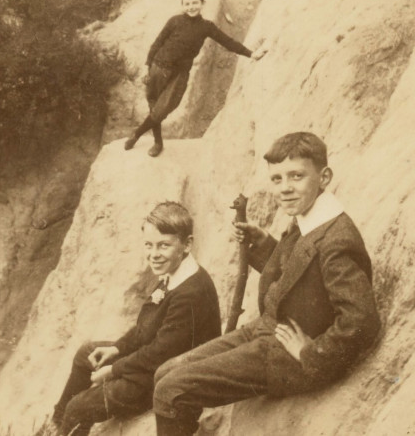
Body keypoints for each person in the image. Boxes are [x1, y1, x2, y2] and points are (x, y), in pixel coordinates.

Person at [152, 132, 381, 436]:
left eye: (296, 176)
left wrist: (311, 353)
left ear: (323, 177)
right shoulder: (308, 216)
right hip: (267, 328)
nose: (285, 188)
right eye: (276, 179)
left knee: (171, 390)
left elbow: (362, 321)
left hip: (288, 356)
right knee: (166, 372)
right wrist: (263, 245)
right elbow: (301, 276)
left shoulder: (337, 239)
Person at [51, 202, 221, 436]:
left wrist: (114, 370)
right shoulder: (173, 272)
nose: (154, 254)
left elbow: (160, 354)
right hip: (154, 362)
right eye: (148, 245)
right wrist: (117, 349)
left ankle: (68, 423)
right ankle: (56, 426)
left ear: (187, 244)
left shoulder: (191, 291)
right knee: (85, 354)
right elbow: (145, 328)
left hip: (168, 377)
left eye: (164, 245)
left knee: (79, 407)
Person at [124, 0, 266, 158]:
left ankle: (136, 134)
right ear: (182, 5)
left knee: (162, 110)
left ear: (202, 3)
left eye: (195, 3)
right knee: (154, 107)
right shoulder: (174, 21)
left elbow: (228, 42)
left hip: (179, 75)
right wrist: (147, 66)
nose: (191, 7)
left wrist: (251, 54)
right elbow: (157, 43)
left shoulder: (206, 27)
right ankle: (158, 142)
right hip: (158, 67)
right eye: (187, 3)